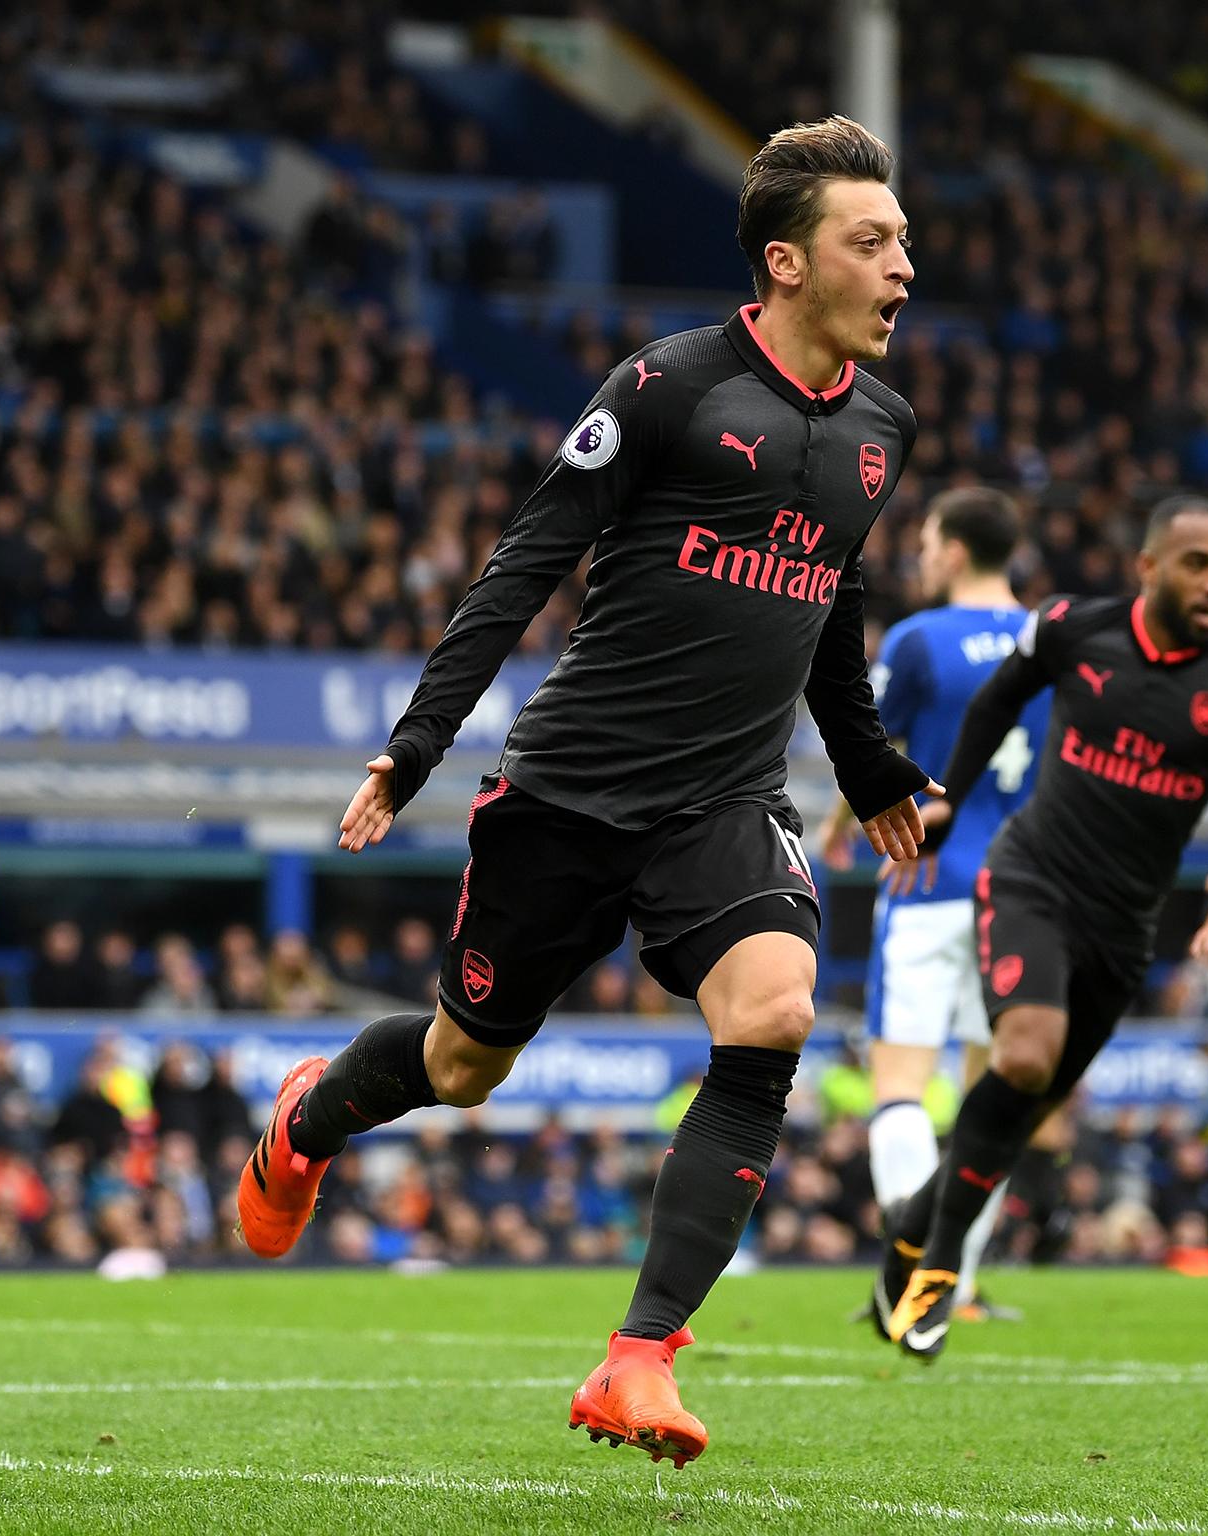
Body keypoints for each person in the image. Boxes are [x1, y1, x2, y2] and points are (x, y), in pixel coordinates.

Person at [235, 116, 931, 1466]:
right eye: (874, 240)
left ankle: (639, 1362)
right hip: (569, 793)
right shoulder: (667, 387)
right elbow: (524, 560)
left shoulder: (883, 429)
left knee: (777, 1011)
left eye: (903, 240)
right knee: (461, 1066)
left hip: (725, 801)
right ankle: (311, 1116)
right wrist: (419, 740)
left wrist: (867, 764)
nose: (905, 265)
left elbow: (829, 599)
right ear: (787, 263)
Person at [881, 492, 1208, 1359]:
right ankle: (943, 1264)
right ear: (1148, 567)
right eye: (1198, 563)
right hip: (1031, 876)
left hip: (1125, 924)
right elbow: (995, 702)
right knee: (1023, 1055)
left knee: (1021, 1109)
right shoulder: (1072, 629)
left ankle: (911, 1235)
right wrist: (948, 797)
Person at [818, 486, 1051, 1332]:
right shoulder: (1053, 638)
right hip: (1023, 892)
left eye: (925, 542)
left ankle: (905, 1278)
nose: (919, 556)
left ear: (953, 551)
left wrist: (841, 830)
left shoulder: (919, 640)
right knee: (990, 1098)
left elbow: (868, 750)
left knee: (901, 1088)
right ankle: (959, 1285)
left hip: (928, 881)